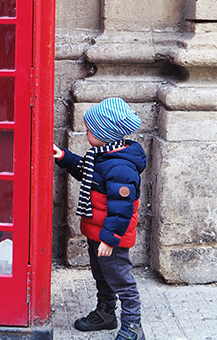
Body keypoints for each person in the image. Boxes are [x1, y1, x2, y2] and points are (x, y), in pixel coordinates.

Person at [53, 97, 147, 340]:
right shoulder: (101, 156)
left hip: (111, 237)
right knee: (102, 276)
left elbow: (122, 210)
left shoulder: (120, 169)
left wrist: (109, 239)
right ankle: (106, 313)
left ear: (106, 134)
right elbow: (85, 171)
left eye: (90, 130)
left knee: (122, 281)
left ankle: (133, 327)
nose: (86, 134)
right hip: (98, 232)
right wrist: (62, 156)